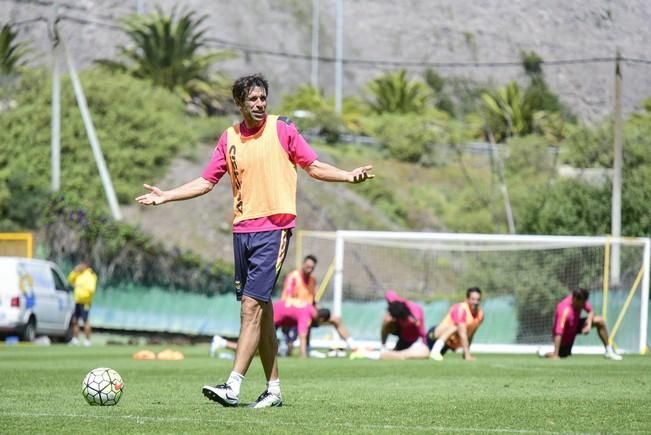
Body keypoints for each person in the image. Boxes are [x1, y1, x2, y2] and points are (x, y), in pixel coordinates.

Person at [136, 73, 374, 409]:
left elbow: (313, 165)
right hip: (242, 232)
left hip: (274, 230)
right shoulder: (229, 137)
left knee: (250, 308)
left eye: (263, 98)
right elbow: (206, 182)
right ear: (239, 103)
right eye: (252, 99)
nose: (260, 104)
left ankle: (233, 386)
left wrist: (348, 175)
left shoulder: (283, 129)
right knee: (259, 311)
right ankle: (273, 390)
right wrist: (167, 196)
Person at [281, 255, 355, 351]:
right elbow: (286, 299)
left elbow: (312, 300)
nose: (310, 269)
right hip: (294, 315)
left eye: (312, 268)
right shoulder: (293, 277)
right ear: (303, 264)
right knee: (305, 321)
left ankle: (354, 346)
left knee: (335, 319)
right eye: (308, 266)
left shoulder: (313, 280)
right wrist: (303, 307)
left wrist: (315, 308)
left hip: (310, 314)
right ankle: (301, 349)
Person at [539, 288, 622, 360]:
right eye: (582, 303)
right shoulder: (564, 310)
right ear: (575, 299)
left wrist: (588, 324)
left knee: (600, 320)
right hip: (565, 336)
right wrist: (555, 355)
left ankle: (609, 351)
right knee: (562, 355)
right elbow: (558, 332)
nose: (583, 305)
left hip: (575, 325)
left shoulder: (581, 302)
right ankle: (544, 352)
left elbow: (591, 311)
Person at [350, 290, 426, 360]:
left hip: (409, 337)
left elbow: (422, 333)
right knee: (386, 320)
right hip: (401, 332)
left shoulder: (415, 316)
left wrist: (426, 346)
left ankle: (367, 353)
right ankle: (382, 347)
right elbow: (389, 294)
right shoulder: (396, 305)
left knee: (396, 353)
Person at [427, 287, 484, 361]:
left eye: (478, 299)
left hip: (447, 344)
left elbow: (470, 335)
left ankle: (434, 352)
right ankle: (434, 351)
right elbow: (462, 334)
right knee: (456, 327)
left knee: (426, 357)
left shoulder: (480, 314)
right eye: (473, 299)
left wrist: (465, 353)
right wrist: (467, 355)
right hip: (434, 337)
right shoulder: (461, 309)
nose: (476, 302)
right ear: (467, 299)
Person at [67, 261, 97, 347]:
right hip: (77, 300)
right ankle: (75, 339)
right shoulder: (78, 274)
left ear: (86, 266)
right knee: (75, 320)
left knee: (85, 320)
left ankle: (87, 340)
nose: (80, 266)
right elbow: (70, 279)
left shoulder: (90, 275)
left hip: (85, 302)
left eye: (81, 265)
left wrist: (80, 287)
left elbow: (91, 289)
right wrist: (74, 271)